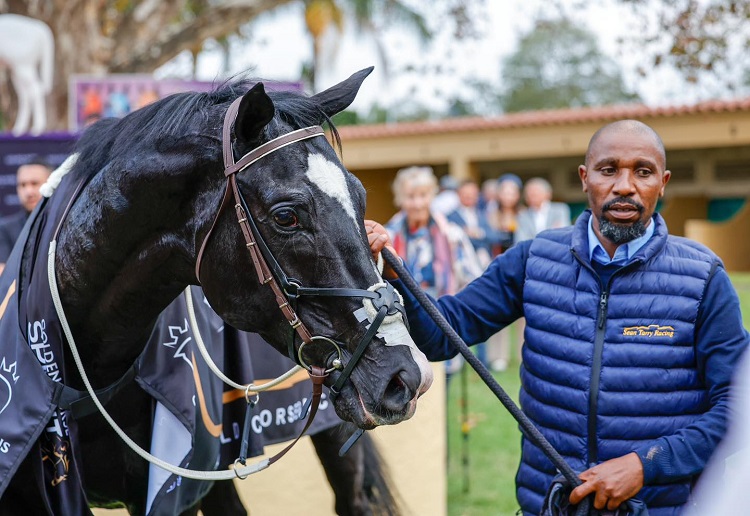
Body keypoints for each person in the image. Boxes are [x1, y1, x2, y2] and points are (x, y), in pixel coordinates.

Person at [367, 120, 750, 515]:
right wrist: (396, 276)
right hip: (549, 505)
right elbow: (442, 335)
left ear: (663, 182)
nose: (624, 186)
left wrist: (646, 465)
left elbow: (739, 403)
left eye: (643, 171)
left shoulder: (702, 277)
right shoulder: (534, 259)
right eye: (608, 169)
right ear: (585, 178)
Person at [385, 166, 483, 377]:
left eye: (423, 195)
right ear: (400, 199)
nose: (417, 203)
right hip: (401, 326)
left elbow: (473, 278)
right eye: (410, 196)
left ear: (432, 196)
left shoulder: (451, 235)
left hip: (441, 320)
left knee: (441, 386)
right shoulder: (388, 237)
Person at [486, 173, 523, 371]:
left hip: (520, 268)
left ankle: (523, 353)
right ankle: (497, 356)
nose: (508, 195)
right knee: (497, 310)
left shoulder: (523, 214)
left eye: (512, 191)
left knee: (525, 313)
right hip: (497, 267)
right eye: (505, 191)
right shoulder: (490, 215)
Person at [0, 157, 51, 273]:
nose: (28, 192)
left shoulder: (62, 224)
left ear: (51, 185)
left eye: (35, 183)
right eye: (22, 185)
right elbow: (2, 274)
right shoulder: (5, 229)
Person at [515, 177, 571, 243]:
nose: (531, 196)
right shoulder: (523, 216)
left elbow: (563, 234)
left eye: (535, 193)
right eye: (529, 194)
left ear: (547, 194)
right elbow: (521, 241)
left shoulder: (560, 210)